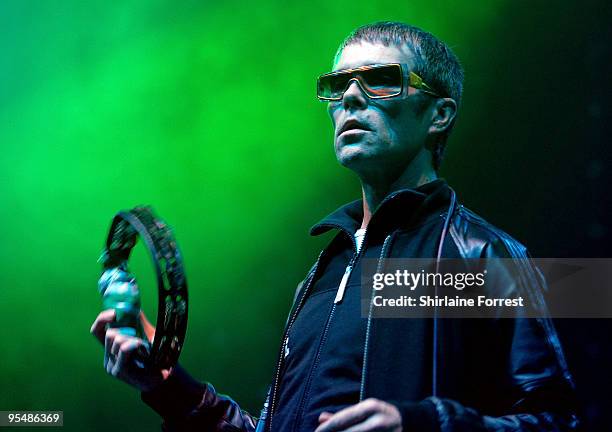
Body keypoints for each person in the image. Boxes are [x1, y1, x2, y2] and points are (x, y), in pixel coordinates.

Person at [91, 22, 579, 432]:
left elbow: (555, 420)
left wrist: (422, 423)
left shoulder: (479, 254)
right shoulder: (322, 274)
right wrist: (164, 381)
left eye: (381, 79)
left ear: (439, 115)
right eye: (337, 84)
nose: (349, 96)